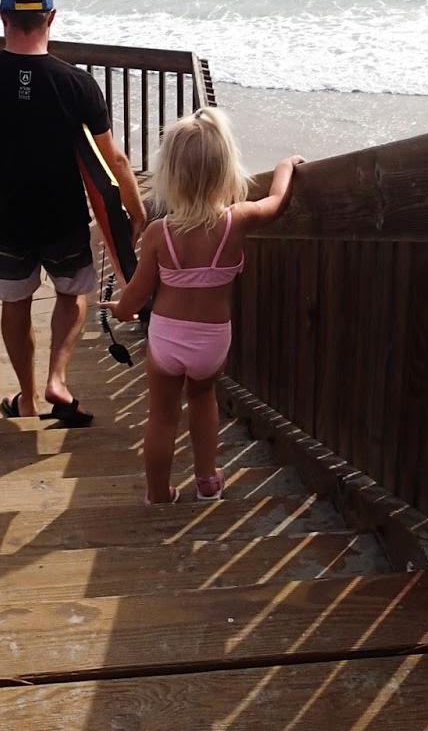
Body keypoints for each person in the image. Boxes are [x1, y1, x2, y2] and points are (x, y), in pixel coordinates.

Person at [0, 0, 146, 427]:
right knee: (73, 293)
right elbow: (115, 161)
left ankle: (28, 398)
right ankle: (57, 379)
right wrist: (135, 214)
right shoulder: (77, 84)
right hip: (65, 221)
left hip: (7, 223)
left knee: (15, 303)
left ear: (3, 17)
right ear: (51, 17)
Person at [104, 109, 302, 504]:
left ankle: (159, 492)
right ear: (226, 169)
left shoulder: (161, 233)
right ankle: (207, 480)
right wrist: (285, 165)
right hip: (212, 340)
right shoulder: (237, 220)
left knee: (161, 416)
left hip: (167, 339)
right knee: (202, 399)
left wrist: (121, 311)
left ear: (170, 176)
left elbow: (138, 295)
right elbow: (276, 202)